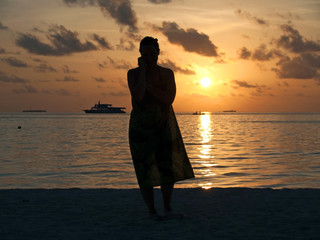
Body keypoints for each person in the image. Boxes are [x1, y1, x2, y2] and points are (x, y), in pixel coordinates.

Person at [127, 36, 194, 219]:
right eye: (145, 54)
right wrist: (142, 73)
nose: (149, 57)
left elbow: (168, 99)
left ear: (158, 53)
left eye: (152, 53)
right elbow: (138, 97)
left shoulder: (167, 73)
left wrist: (149, 86)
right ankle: (151, 210)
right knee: (144, 169)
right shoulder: (133, 74)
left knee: (167, 169)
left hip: (164, 125)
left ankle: (167, 207)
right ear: (140, 55)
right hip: (140, 128)